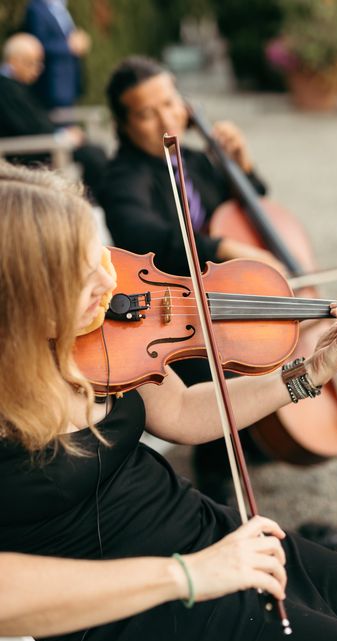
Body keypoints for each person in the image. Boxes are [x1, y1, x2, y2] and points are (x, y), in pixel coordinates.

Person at [0, 162, 337, 641]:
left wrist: (305, 374)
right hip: (108, 610)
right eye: (82, 275)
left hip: (184, 527)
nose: (111, 282)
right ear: (24, 298)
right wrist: (190, 574)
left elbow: (180, 411)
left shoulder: (95, 333)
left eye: (99, 255)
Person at [100, 55, 288, 501]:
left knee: (267, 334)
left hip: (214, 294)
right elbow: (147, 235)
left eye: (170, 102)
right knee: (212, 362)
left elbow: (247, 209)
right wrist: (221, 249)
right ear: (125, 124)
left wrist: (241, 165)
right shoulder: (122, 177)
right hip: (166, 310)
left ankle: (256, 431)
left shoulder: (198, 160)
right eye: (147, 113)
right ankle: (215, 471)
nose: (166, 118)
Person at [0, 33, 106, 201]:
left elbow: (35, 119)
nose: (38, 68)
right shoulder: (6, 89)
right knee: (93, 157)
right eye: (32, 63)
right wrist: (63, 136)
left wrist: (64, 133)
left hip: (42, 143)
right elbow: (28, 127)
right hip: (30, 151)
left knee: (95, 151)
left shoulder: (16, 85)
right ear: (15, 61)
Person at [21, 0, 90, 109]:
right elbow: (38, 44)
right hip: (52, 85)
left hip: (69, 83)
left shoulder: (61, 8)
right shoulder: (36, 9)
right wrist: (69, 47)